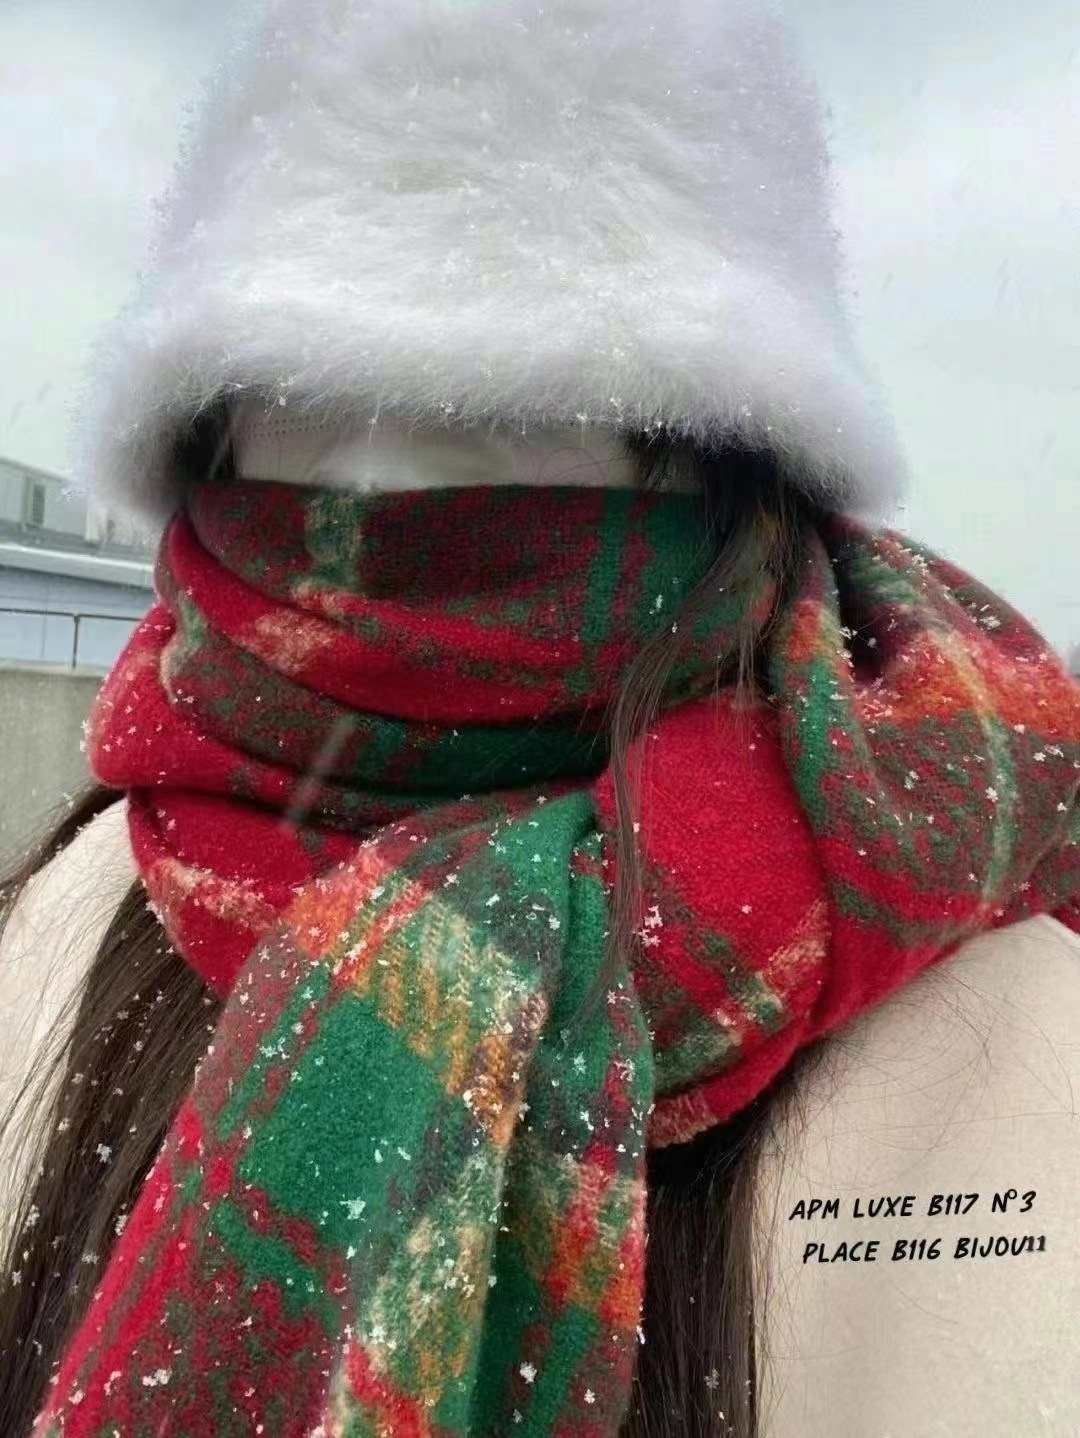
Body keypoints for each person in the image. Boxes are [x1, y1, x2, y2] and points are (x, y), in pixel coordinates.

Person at [2, 1, 1079, 1434]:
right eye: (306, 403)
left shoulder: (1014, 1054)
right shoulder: (59, 934)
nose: (384, 489)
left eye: (510, 412)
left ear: (727, 460)